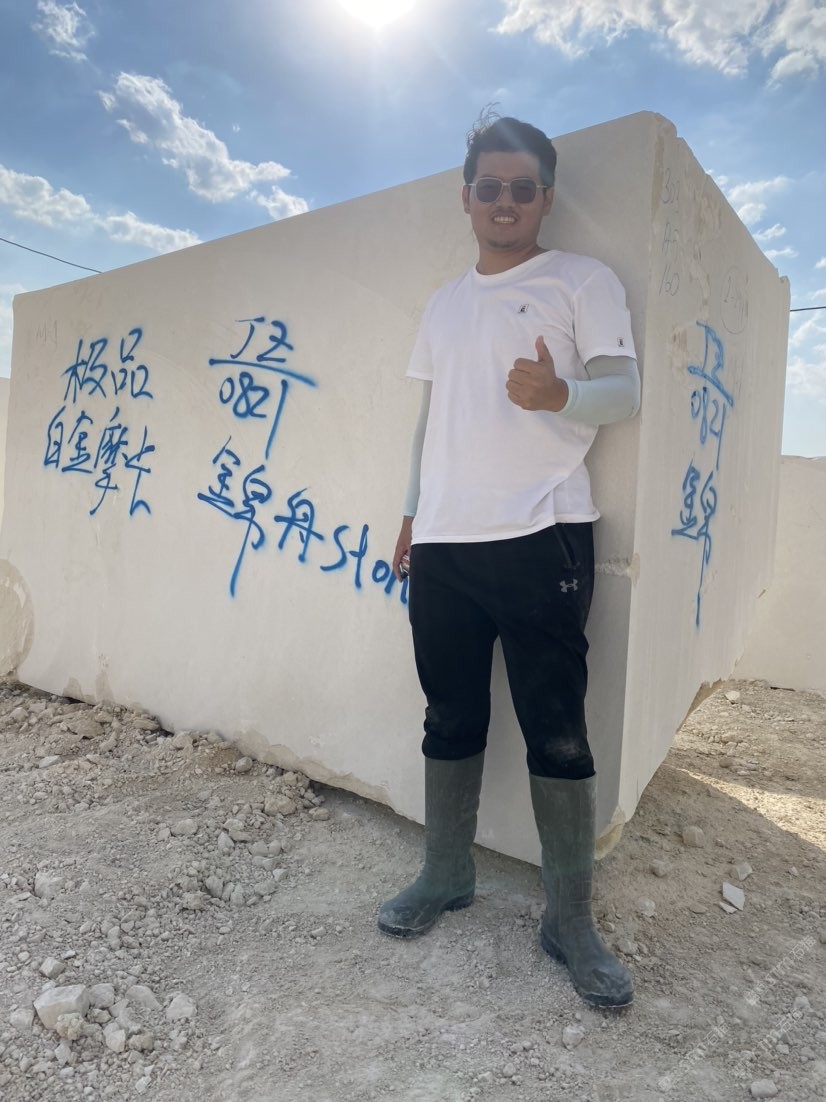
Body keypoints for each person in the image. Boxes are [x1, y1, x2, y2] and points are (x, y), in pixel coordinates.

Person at [377, 115, 641, 1009]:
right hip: (445, 542)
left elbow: (624, 391)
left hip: (542, 533)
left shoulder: (581, 280)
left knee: (557, 728)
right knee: (449, 711)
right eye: (488, 187)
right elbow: (430, 421)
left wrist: (560, 392)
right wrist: (412, 514)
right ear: (466, 197)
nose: (504, 202)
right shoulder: (443, 304)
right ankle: (446, 873)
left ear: (545, 198)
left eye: (522, 188)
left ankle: (570, 921)